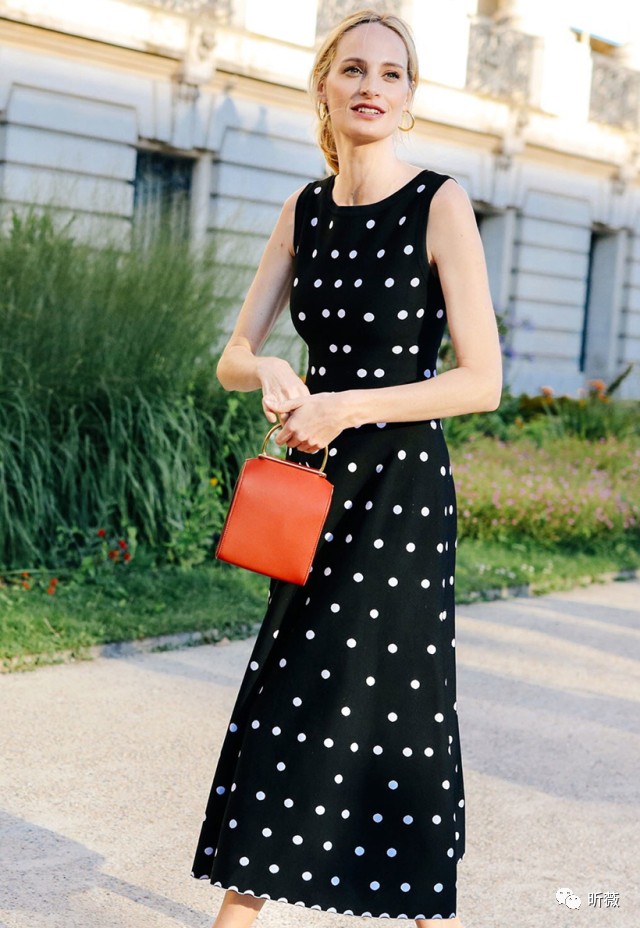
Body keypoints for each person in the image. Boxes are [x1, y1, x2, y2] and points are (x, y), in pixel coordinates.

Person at [191, 8, 502, 927]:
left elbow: (481, 381)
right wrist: (270, 371)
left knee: (399, 699)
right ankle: (240, 912)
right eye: (354, 69)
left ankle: (421, 912)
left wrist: (348, 405)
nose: (372, 86)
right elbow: (231, 355)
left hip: (401, 491)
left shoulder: (440, 202)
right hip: (316, 491)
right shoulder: (305, 209)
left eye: (392, 74)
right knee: (289, 688)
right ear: (324, 87)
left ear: (409, 100)